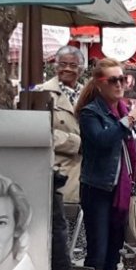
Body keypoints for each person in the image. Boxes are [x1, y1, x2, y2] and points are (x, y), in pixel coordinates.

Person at [77, 59, 136, 270]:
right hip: (98, 189)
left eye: (122, 79)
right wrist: (127, 123)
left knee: (114, 251)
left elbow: (132, 154)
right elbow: (102, 140)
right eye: (112, 80)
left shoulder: (124, 110)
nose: (119, 84)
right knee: (98, 251)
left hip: (120, 192)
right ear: (99, 84)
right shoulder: (91, 112)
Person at [36, 44, 84, 217]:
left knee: (80, 234)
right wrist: (76, 143)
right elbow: (39, 131)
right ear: (55, 66)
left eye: (73, 65)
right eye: (63, 64)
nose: (68, 69)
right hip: (58, 172)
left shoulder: (89, 94)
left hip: (85, 176)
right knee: (60, 230)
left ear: (81, 69)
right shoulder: (42, 93)